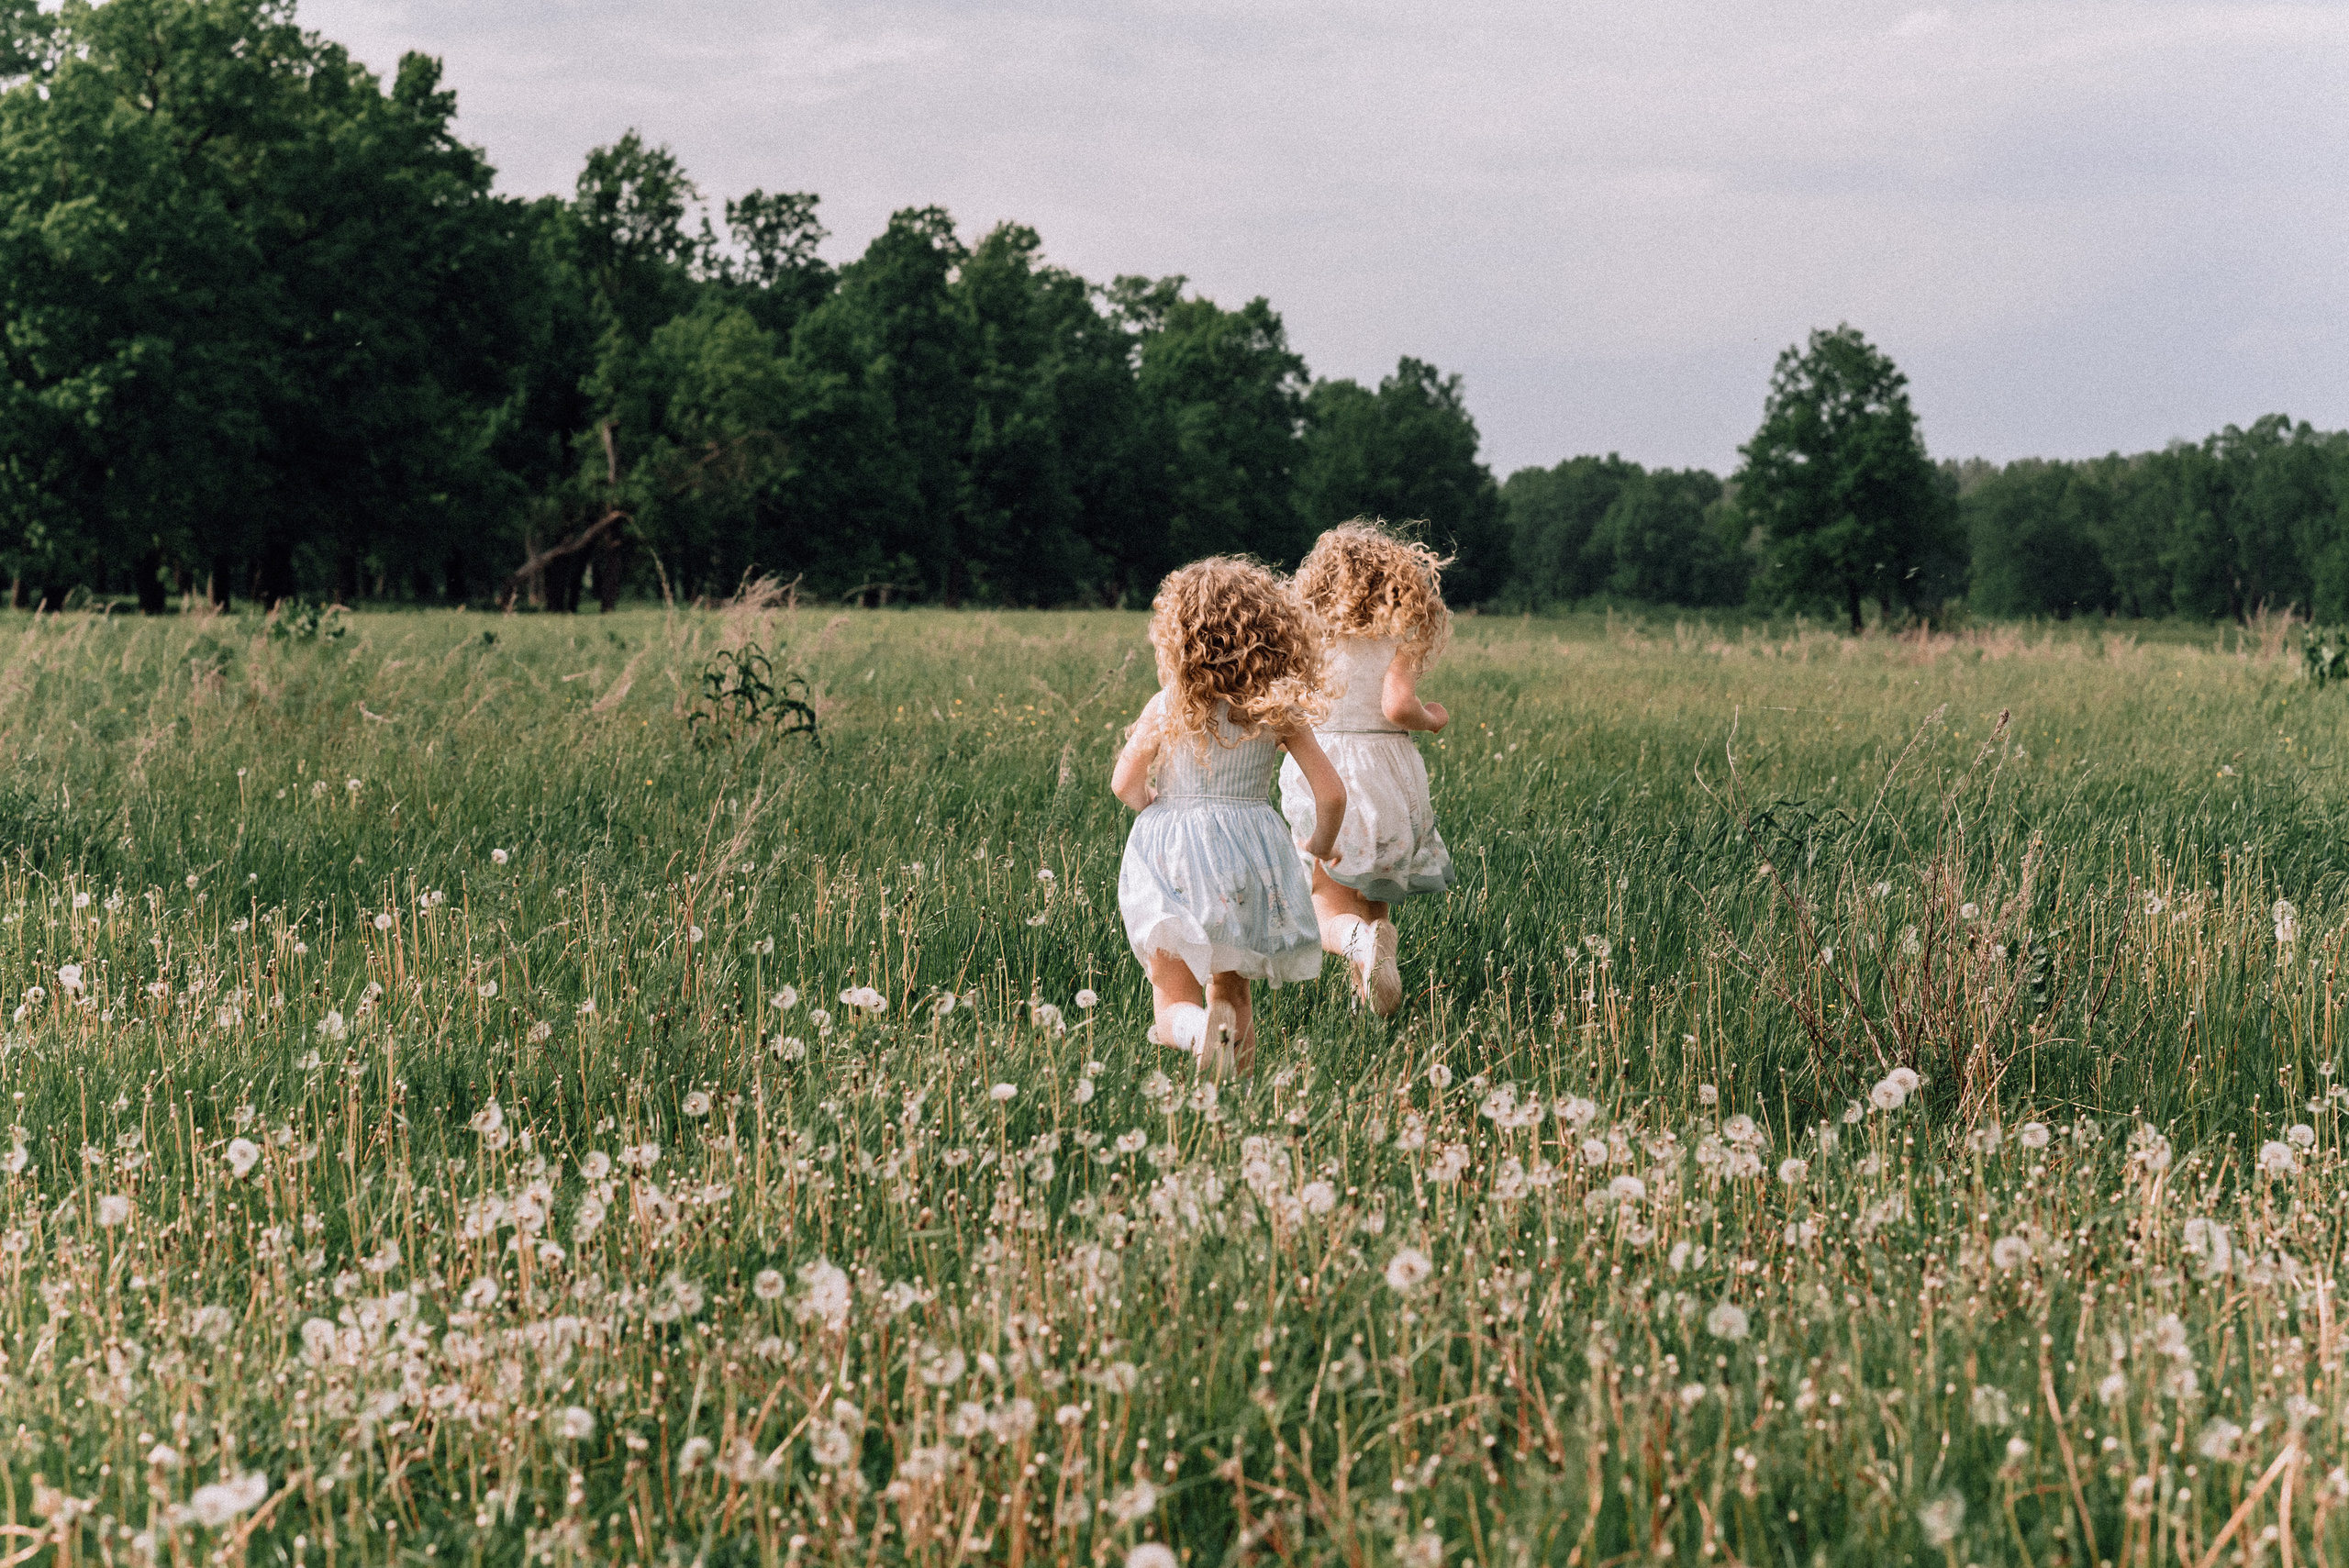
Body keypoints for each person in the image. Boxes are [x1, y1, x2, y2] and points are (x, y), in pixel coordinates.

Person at [1113, 558, 1346, 1075]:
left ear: (1178, 636)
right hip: (1248, 853)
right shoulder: (1276, 710)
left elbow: (1123, 784)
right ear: (1271, 634)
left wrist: (1151, 804)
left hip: (1171, 852)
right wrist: (1319, 847)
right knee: (1233, 988)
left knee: (1171, 996)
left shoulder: (1167, 706)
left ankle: (1195, 1031)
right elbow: (1330, 795)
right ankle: (1235, 1094)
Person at [1279, 519, 1455, 1015]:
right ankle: (1371, 998)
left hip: (1328, 768)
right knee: (1375, 897)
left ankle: (1356, 946)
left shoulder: (1311, 638)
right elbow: (1399, 707)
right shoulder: (1403, 636)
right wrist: (1434, 717)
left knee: (1328, 903)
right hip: (1389, 774)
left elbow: (1292, 707)